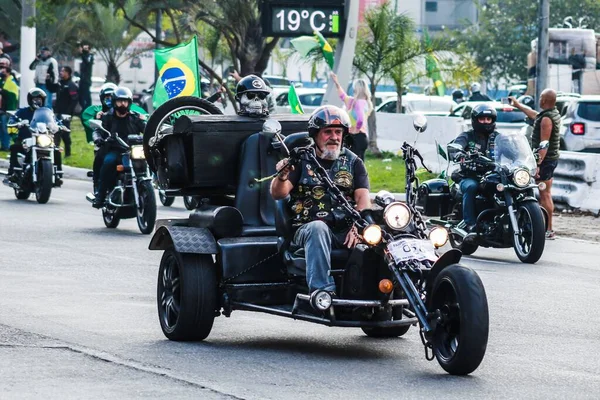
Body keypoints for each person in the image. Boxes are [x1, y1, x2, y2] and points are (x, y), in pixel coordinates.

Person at [270, 105, 371, 296]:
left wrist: (358, 228)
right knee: (318, 228)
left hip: (346, 229)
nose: (334, 137)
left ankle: (382, 292)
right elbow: (278, 194)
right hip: (307, 229)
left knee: (383, 231)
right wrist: (282, 176)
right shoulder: (300, 160)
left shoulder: (354, 162)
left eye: (338, 132)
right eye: (328, 132)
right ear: (316, 135)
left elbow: (363, 201)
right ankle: (322, 292)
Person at [509, 89, 561, 240]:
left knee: (544, 194)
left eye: (540, 97)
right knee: (546, 194)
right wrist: (518, 105)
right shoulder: (550, 113)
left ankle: (548, 229)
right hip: (550, 160)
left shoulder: (547, 120)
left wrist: (537, 164)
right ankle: (547, 227)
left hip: (545, 161)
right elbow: (534, 115)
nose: (538, 100)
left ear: (544, 100)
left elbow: (544, 144)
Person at [90, 86, 146, 208]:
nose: (122, 104)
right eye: (120, 101)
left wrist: (152, 137)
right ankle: (101, 195)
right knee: (108, 162)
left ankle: (146, 187)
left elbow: (146, 130)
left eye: (125, 101)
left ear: (129, 103)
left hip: (132, 150)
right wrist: (98, 138)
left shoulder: (135, 117)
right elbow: (98, 130)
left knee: (144, 164)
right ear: (114, 102)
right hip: (115, 149)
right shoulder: (107, 117)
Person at [448, 103, 499, 234]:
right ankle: (470, 224)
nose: (486, 122)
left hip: (493, 175)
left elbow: (512, 150)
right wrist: (458, 154)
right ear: (475, 120)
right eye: (482, 119)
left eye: (489, 119)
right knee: (471, 187)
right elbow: (455, 146)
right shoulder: (468, 136)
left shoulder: (498, 137)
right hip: (469, 175)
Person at [4, 88, 63, 186]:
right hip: (26, 139)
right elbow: (12, 119)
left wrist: (60, 125)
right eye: (35, 99)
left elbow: (55, 120)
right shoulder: (22, 112)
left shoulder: (47, 112)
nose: (37, 101)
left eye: (40, 99)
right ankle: (13, 173)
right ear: (30, 100)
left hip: (42, 138)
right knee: (14, 148)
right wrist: (17, 123)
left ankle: (57, 175)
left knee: (56, 150)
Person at [330, 72, 373, 161]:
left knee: (353, 165)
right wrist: (337, 83)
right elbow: (343, 96)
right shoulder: (363, 102)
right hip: (361, 137)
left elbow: (360, 119)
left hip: (357, 137)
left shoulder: (357, 103)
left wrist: (356, 129)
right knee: (358, 166)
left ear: (356, 90)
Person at [53, 66, 79, 157]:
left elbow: (74, 99)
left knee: (65, 133)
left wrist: (69, 112)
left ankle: (68, 153)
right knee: (55, 132)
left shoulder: (71, 85)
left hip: (65, 114)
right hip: (57, 112)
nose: (61, 72)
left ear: (68, 73)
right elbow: (52, 89)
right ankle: (56, 152)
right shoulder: (60, 83)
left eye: (63, 71)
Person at [0, 57, 19, 151]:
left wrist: (2, 91)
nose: (1, 71)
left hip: (9, 109)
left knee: (7, 128)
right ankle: (4, 145)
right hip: (3, 108)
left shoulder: (11, 81)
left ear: (8, 72)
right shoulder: (3, 81)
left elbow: (13, 95)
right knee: (3, 129)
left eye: (3, 70)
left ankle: (7, 146)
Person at [77, 41, 94, 111]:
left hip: (86, 81)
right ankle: (84, 109)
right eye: (83, 48)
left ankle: (88, 109)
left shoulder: (90, 56)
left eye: (86, 48)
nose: (84, 50)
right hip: (82, 80)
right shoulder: (83, 57)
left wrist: (81, 54)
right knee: (80, 97)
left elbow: (88, 62)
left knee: (87, 97)